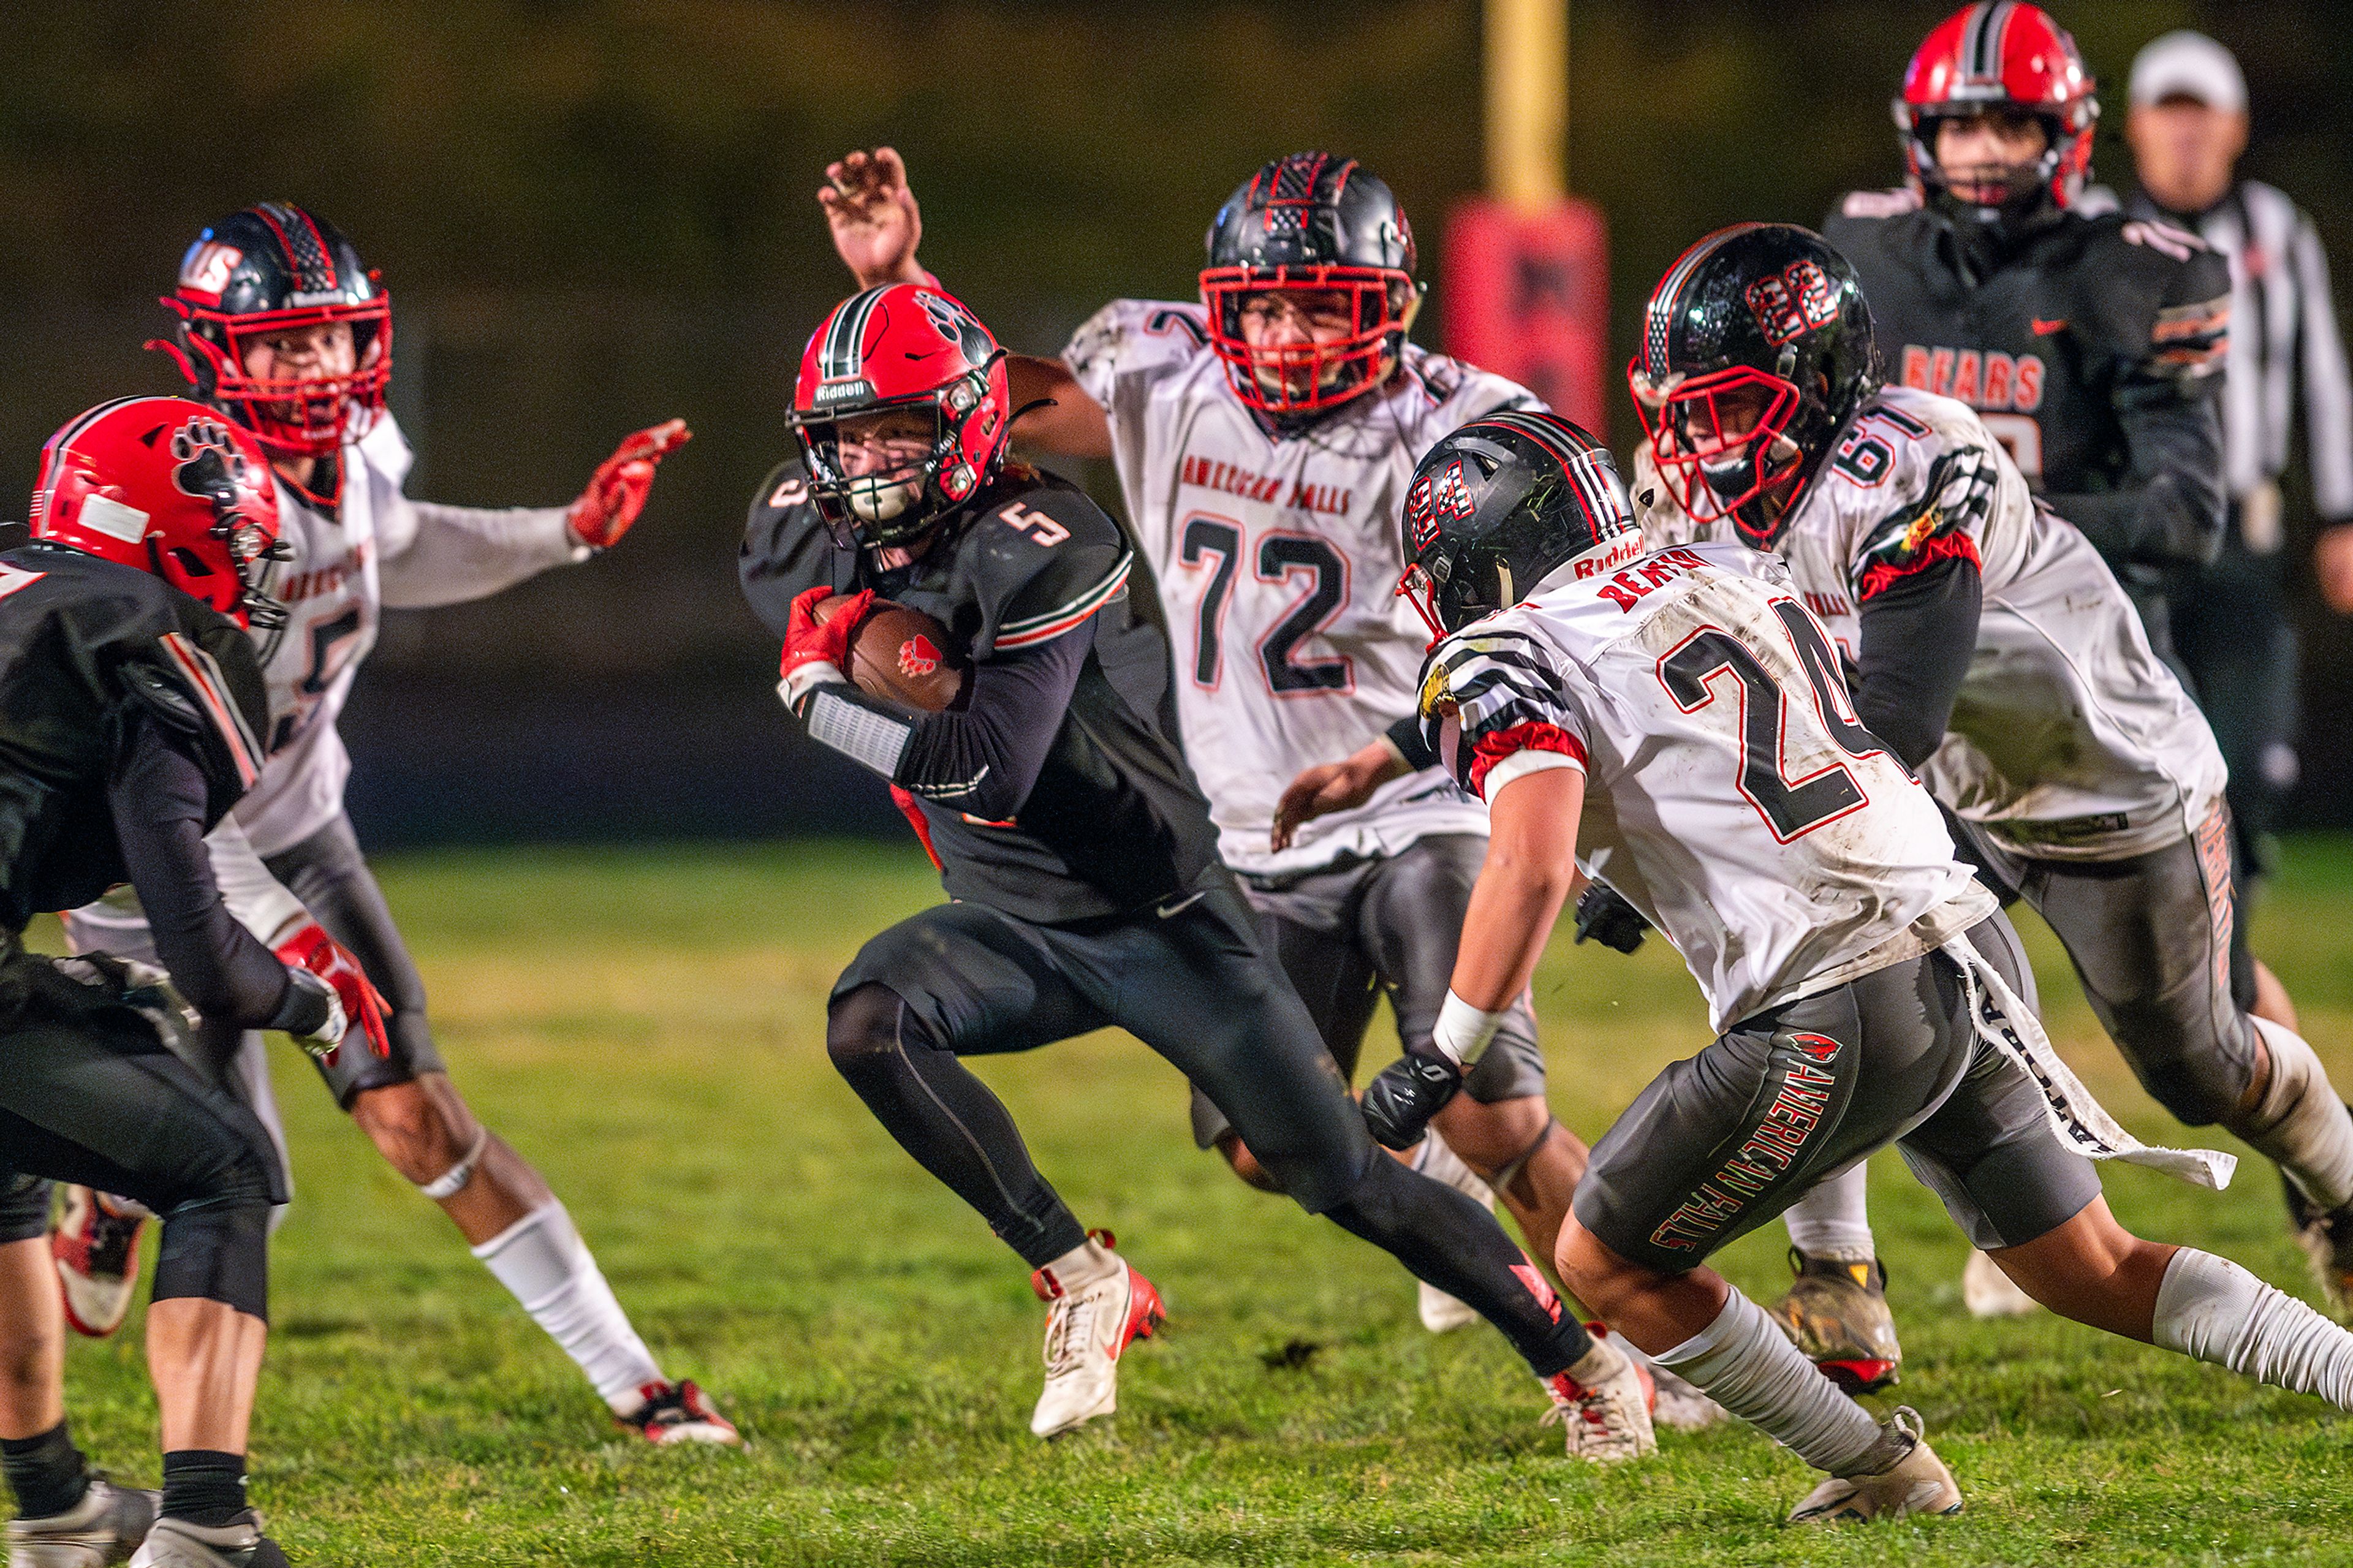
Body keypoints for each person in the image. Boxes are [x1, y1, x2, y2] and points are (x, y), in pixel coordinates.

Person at [1289, 407, 2353, 1521]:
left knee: (1601, 1256)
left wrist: (1446, 1051)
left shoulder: (1498, 647)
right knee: (2092, 1262)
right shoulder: (1707, 569)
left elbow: (1527, 859)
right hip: (1960, 934)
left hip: (1836, 996)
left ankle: (1877, 1465)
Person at [748, 279, 1646, 1458]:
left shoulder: (1050, 537)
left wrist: (825, 694)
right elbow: (782, 568)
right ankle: (1081, 1273)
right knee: (869, 1024)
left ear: (970, 421)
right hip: (1016, 918)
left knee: (1342, 1181)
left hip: (1162, 919)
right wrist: (855, 637)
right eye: (848, 435)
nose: (868, 462)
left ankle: (1585, 1368)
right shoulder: (812, 516)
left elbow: (989, 772)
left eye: (899, 430)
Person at [44, 202, 734, 1446]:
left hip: (299, 824)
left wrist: (565, 535)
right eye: (281, 346)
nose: (313, 370)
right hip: (153, 859)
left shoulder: (361, 457)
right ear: (215, 352)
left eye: (329, 341)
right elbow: (148, 768)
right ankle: (157, 1385)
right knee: (230, 1172)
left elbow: (396, 546)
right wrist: (289, 945)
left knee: (419, 1112)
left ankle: (639, 1386)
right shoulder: (187, 500)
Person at [1627, 223, 2353, 1357]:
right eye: (1682, 411)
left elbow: (1900, 717)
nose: (1697, 447)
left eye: (1729, 407)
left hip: (2097, 779)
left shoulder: (1914, 459)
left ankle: (2341, 1179)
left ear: (1817, 387)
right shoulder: (1698, 495)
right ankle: (1838, 1268)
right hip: (1943, 779)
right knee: (1832, 940)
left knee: (2199, 1065)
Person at [0, 397, 390, 1567]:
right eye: (235, 536)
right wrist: (317, 1005)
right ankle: (208, 1525)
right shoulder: (140, 634)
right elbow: (206, 960)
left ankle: (55, 1498)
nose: (251, 565)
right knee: (223, 1166)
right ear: (177, 533)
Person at [1825, 2, 2230, 677]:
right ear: (1924, 137)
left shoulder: (2131, 278)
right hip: (1912, 642)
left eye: (2013, 126)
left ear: (2064, 135)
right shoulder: (1870, 251)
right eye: (1961, 127)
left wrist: (1999, 520)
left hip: (2085, 655)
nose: (1985, 151)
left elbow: (2186, 514)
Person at [2114, 31, 2353, 935]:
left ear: (2236, 128)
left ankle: (2226, 935)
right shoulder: (2100, 232)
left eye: (2200, 114)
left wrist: (2341, 514)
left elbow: (2322, 376)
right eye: (2169, 114)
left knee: (2250, 759)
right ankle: (2172, 943)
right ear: (2136, 126)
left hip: (2242, 534)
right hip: (2135, 532)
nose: (2185, 135)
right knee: (2143, 754)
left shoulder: (2276, 230)